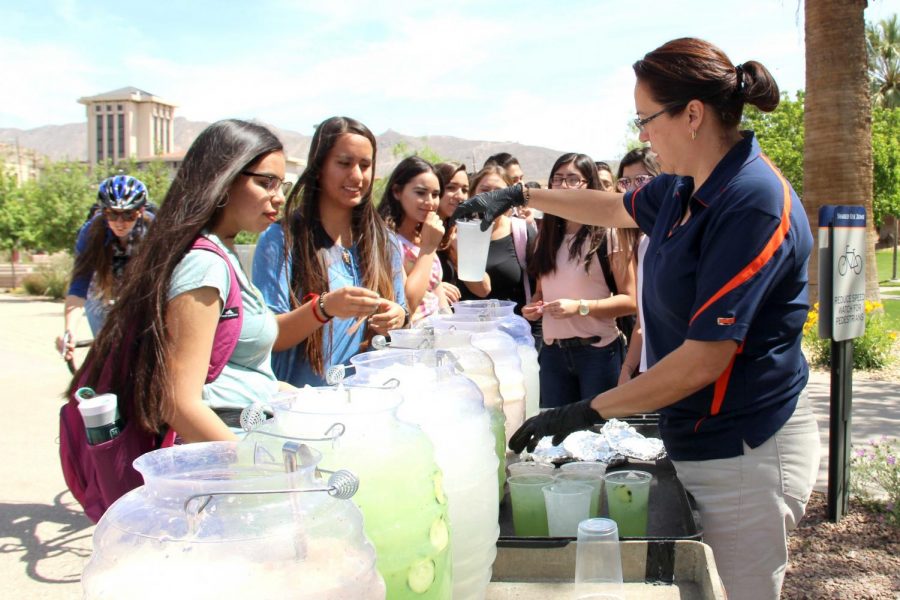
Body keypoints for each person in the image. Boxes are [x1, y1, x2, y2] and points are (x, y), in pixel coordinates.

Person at [453, 38, 819, 600]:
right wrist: (519, 195)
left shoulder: (753, 200)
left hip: (745, 448)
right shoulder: (682, 188)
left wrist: (588, 410)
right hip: (695, 435)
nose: (641, 134)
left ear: (692, 115)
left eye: (647, 118)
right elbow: (608, 207)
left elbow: (705, 357)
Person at [68, 119, 334, 442]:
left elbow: (238, 376)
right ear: (224, 179)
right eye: (266, 183)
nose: (278, 197)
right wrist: (249, 468)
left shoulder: (224, 253)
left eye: (281, 186)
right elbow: (179, 404)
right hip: (226, 463)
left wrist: (313, 401)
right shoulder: (204, 265)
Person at [253, 116, 408, 387]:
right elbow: (268, 337)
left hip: (373, 401)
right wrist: (324, 308)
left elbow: (404, 313)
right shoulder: (282, 239)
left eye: (365, 165)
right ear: (320, 167)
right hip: (305, 409)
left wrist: (398, 316)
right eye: (344, 163)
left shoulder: (384, 242)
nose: (357, 176)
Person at [521, 153, 636, 409]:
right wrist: (534, 307)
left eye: (573, 179)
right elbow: (540, 292)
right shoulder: (545, 238)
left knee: (598, 434)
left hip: (598, 353)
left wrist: (580, 307)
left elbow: (631, 300)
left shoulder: (608, 235)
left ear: (590, 186)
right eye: (558, 179)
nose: (563, 186)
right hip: (553, 354)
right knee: (555, 437)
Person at [57, 175, 152, 361]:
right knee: (108, 353)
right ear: (103, 212)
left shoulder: (155, 230)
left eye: (128, 215)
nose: (119, 222)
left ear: (140, 211)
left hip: (142, 286)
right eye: (111, 214)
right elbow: (78, 287)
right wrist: (69, 333)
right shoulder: (91, 232)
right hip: (104, 286)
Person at [378, 156, 457, 323]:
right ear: (397, 192)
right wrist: (428, 248)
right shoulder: (387, 240)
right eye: (420, 193)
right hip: (410, 340)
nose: (430, 202)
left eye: (435, 194)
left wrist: (453, 327)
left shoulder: (422, 234)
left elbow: (436, 293)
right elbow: (407, 303)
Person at [457, 165, 536, 317]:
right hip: (465, 330)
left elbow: (538, 291)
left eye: (499, 191)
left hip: (511, 333)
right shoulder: (455, 235)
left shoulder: (522, 233)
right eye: (484, 190)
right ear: (473, 194)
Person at [616, 147, 661, 382]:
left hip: (677, 373)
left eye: (641, 180)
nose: (633, 190)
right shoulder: (643, 242)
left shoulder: (673, 237)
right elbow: (642, 323)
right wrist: (627, 369)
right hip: (652, 371)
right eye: (625, 182)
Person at [434, 161, 469, 290]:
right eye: (451, 187)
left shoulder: (457, 232)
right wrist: (434, 287)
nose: (460, 196)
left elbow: (484, 289)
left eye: (465, 190)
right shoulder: (412, 231)